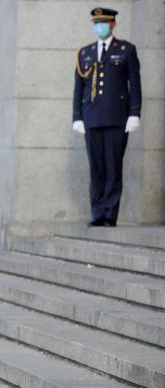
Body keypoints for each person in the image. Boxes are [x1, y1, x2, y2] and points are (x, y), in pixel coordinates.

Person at [72, 7, 141, 227]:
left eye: (103, 23)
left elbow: (135, 85)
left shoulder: (126, 50)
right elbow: (79, 87)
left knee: (113, 166)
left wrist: (134, 113)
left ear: (112, 25)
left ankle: (110, 214)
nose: (98, 27)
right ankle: (97, 213)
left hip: (116, 118)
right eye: (95, 23)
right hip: (91, 118)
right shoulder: (85, 53)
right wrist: (77, 116)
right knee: (96, 167)